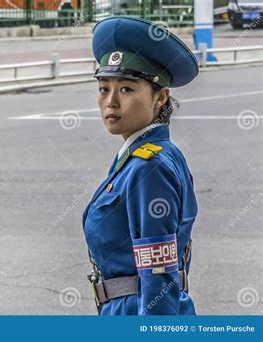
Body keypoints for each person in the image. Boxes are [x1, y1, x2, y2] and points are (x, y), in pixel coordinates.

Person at [82, 16, 199, 315]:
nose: (111, 102)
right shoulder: (141, 156)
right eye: (104, 88)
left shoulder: (150, 166)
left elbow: (158, 274)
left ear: (160, 97)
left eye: (126, 90)